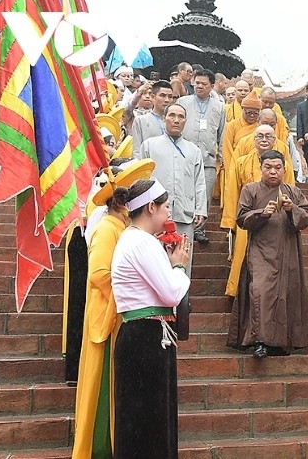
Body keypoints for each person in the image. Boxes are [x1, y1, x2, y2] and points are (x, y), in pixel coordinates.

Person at [72, 160, 154, 459]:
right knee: (103, 389)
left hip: (117, 317)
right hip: (107, 319)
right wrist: (131, 291)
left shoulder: (122, 228)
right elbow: (98, 275)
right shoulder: (108, 228)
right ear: (121, 203)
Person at [110, 179, 190, 459]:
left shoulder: (134, 239)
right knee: (150, 421)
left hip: (143, 336)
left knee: (144, 420)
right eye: (166, 207)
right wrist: (179, 267)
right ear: (151, 207)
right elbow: (171, 293)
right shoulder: (142, 242)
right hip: (146, 339)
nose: (168, 213)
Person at [229, 150, 308, 358]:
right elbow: (241, 218)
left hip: (287, 249)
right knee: (260, 291)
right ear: (261, 168)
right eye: (268, 167)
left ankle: (281, 342)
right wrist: (261, 214)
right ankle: (260, 341)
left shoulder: (293, 192)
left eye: (277, 168)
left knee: (285, 293)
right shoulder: (250, 190)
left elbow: (306, 218)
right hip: (260, 250)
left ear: (284, 169)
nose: (273, 172)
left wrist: (292, 209)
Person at [140, 104, 206, 338]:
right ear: (164, 118)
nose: (176, 120)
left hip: (185, 214)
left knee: (183, 260)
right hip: (155, 217)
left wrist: (200, 209)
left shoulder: (194, 150)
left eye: (180, 117)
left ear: (185, 121)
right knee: (156, 261)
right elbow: (142, 178)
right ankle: (155, 309)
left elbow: (200, 182)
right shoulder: (150, 146)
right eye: (172, 116)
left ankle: (181, 310)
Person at [221, 124, 297, 298]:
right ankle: (239, 293)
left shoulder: (283, 163)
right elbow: (232, 191)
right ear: (253, 140)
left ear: (275, 140)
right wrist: (230, 222)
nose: (264, 140)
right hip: (249, 219)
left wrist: (287, 211)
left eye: (268, 136)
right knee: (243, 256)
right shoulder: (242, 162)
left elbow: (290, 189)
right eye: (260, 136)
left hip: (276, 220)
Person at [177, 69, 225, 244]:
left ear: (212, 86)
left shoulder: (219, 106)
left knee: (205, 194)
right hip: (184, 156)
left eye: (204, 84)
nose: (199, 86)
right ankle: (181, 225)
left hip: (208, 158)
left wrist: (222, 157)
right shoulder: (183, 102)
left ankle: (200, 229)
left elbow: (222, 133)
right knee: (183, 191)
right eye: (197, 83)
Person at [131, 80, 173, 159]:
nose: (167, 100)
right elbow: (136, 151)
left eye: (170, 97)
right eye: (163, 96)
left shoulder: (176, 122)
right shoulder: (141, 120)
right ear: (153, 97)